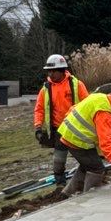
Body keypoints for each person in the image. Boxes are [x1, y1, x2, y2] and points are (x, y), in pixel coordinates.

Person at [56, 84, 111, 196]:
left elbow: (75, 109)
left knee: (88, 164)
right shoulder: (106, 113)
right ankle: (90, 197)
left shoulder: (100, 98)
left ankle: (67, 193)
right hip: (77, 139)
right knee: (97, 168)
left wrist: (101, 154)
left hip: (69, 133)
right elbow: (106, 140)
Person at [34, 53, 90, 189]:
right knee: (58, 160)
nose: (50, 74)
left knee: (84, 157)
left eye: (53, 71)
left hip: (76, 129)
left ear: (62, 70)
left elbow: (88, 104)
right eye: (49, 71)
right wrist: (38, 127)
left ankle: (88, 178)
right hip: (59, 130)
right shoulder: (46, 89)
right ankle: (60, 185)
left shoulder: (76, 85)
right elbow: (39, 109)